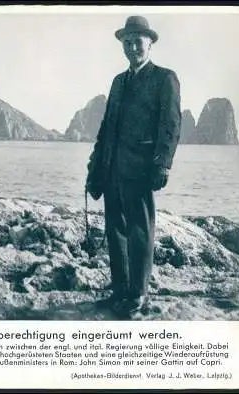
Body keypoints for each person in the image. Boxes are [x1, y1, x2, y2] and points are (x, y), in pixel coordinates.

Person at [86, 16, 182, 315]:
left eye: (137, 40)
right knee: (115, 229)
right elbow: (106, 128)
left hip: (141, 168)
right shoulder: (118, 81)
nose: (131, 46)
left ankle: (138, 294)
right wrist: (95, 167)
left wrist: (162, 164)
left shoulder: (164, 78)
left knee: (140, 230)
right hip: (112, 168)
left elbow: (171, 124)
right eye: (126, 41)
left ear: (149, 43)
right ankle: (120, 290)